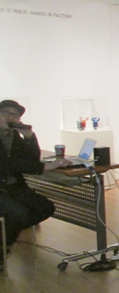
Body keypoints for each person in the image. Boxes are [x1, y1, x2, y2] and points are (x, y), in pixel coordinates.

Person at [0, 100, 67, 260]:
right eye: (6, 113)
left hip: (14, 188)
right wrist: (45, 167)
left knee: (45, 207)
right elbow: (5, 163)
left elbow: (32, 159)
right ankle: (3, 249)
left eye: (15, 115)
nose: (11, 117)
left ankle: (5, 240)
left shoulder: (15, 136)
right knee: (19, 213)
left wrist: (29, 137)